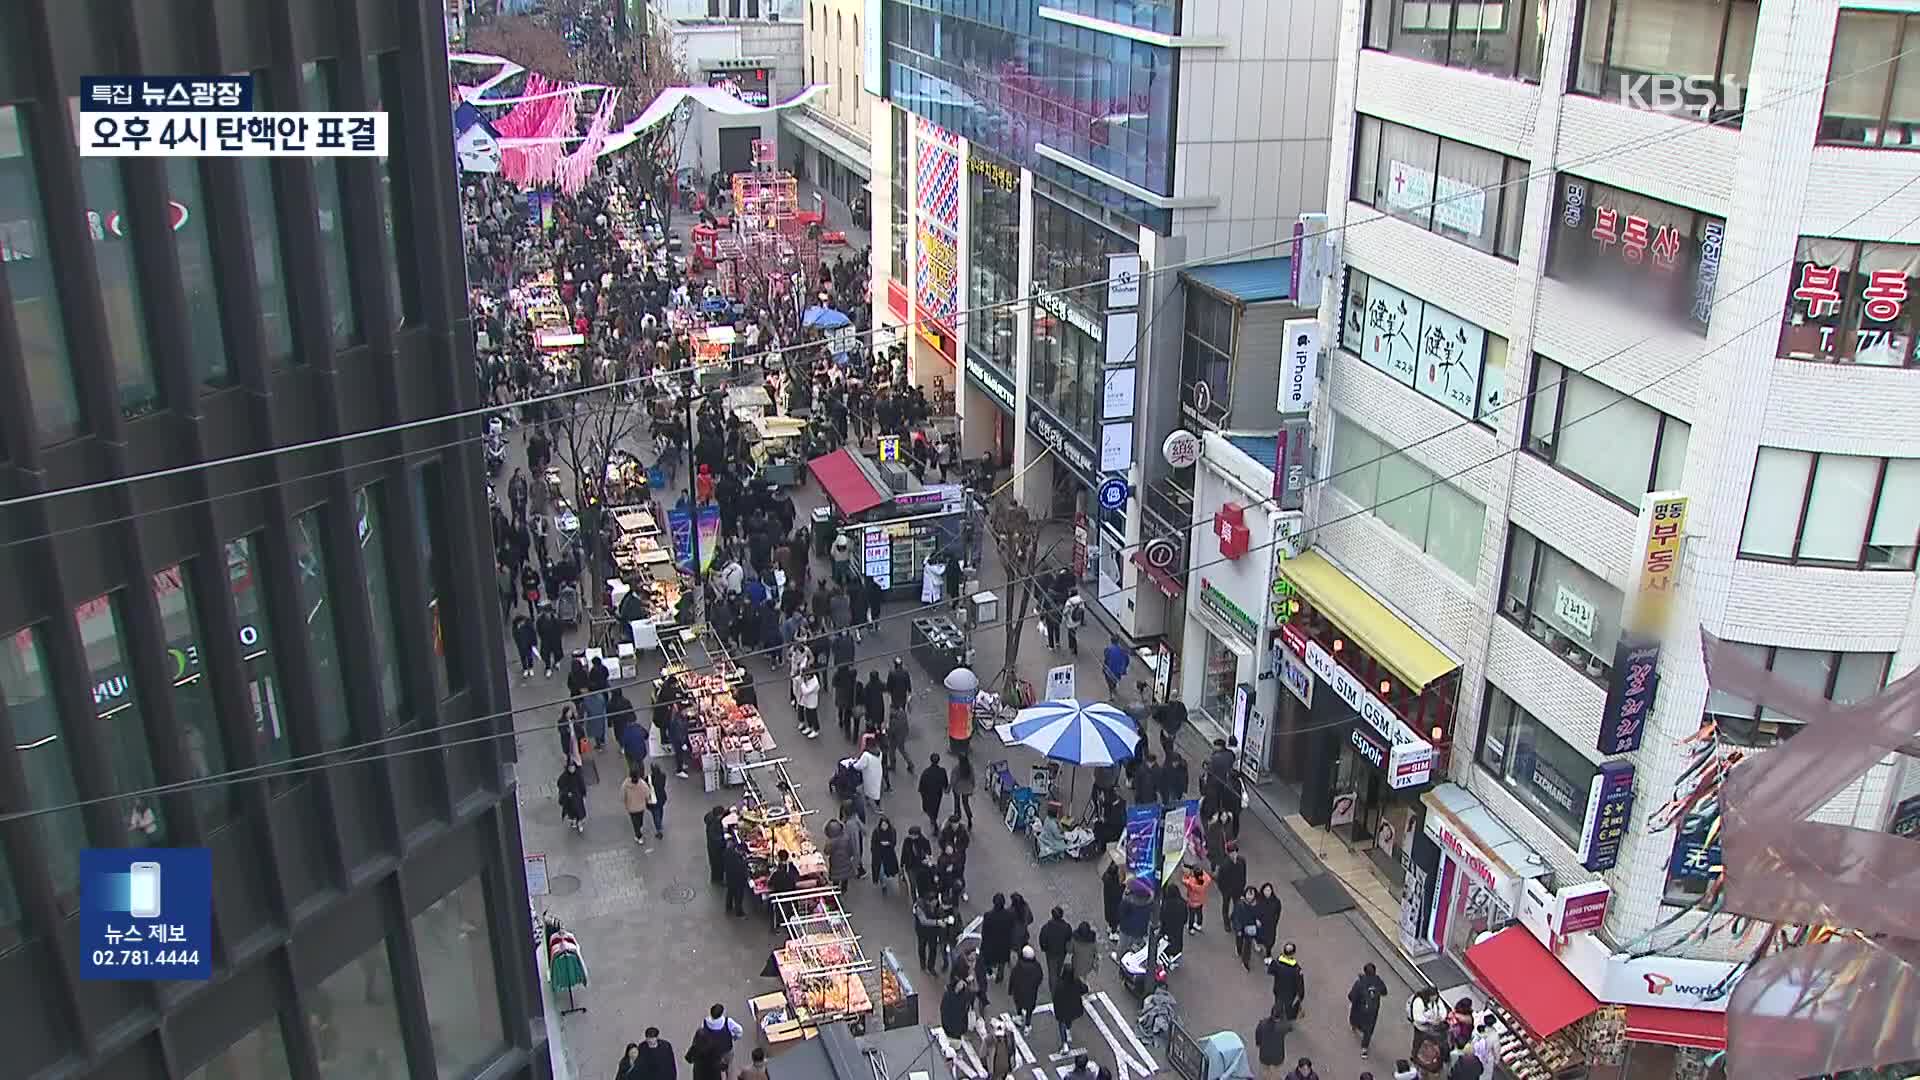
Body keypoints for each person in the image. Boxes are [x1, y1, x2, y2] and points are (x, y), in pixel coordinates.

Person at [685, 1006, 743, 1080]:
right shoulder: (727, 1022)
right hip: (727, 1049)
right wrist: (735, 1037)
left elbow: (688, 1058)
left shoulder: (705, 1022)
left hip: (700, 1074)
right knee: (729, 1068)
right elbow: (739, 1030)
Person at [1349, 962, 1389, 1057]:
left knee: (1355, 1019)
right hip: (1372, 1010)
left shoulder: (1360, 982)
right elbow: (1384, 992)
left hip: (1359, 1008)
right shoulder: (1378, 981)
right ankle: (1364, 1048)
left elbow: (1351, 996)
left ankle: (1354, 1025)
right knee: (1369, 1029)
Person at [979, 893, 1016, 984]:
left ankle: (990, 972)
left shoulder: (988, 916)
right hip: (1004, 943)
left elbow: (985, 932)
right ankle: (1000, 975)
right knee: (1002, 961)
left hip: (991, 943)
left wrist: (983, 944)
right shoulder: (1009, 915)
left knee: (988, 959)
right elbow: (1011, 929)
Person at [1052, 960, 1088, 1052]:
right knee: (1069, 1019)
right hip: (1073, 1007)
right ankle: (1068, 1030)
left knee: (1061, 1024)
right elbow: (1085, 989)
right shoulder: (1076, 982)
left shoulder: (1059, 984)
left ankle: (1064, 1044)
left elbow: (1055, 998)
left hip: (1062, 1009)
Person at [1008, 945, 1044, 1034]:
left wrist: (1010, 989)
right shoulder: (1036, 966)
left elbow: (1013, 977)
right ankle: (1027, 1025)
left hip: (1019, 991)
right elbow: (1040, 977)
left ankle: (1019, 1017)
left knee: (1019, 1004)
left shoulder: (1019, 966)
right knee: (1029, 1009)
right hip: (1031, 992)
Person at [1116, 878, 1154, 960]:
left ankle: (1119, 959)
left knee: (1123, 945)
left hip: (1126, 928)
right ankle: (1133, 960)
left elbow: (1121, 912)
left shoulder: (1128, 900)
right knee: (1136, 947)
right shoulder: (1149, 901)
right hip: (1140, 929)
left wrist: (1124, 895)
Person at [1266, 942, 1305, 1020]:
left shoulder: (1277, 962)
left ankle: (1275, 1016)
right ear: (1293, 954)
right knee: (1288, 1007)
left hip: (1278, 989)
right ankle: (1287, 1018)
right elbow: (1300, 985)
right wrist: (1301, 996)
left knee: (1278, 1002)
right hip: (1290, 993)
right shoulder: (1296, 969)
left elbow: (1270, 971)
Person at [1038, 905, 1073, 986]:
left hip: (1050, 953)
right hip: (1061, 952)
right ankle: (1057, 978)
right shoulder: (1066, 927)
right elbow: (1069, 938)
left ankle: (1054, 989)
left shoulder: (1046, 927)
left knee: (1052, 971)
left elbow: (1042, 939)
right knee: (1059, 967)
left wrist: (1044, 948)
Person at [1254, 1007, 1293, 1080]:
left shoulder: (1262, 1023)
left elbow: (1258, 1035)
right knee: (1276, 1074)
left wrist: (1258, 1043)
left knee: (1265, 1072)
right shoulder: (1283, 1026)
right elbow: (1290, 1027)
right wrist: (1284, 1018)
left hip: (1264, 1055)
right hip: (1277, 1057)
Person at [1230, 887, 1263, 969]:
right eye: (1248, 894)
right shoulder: (1240, 904)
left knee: (1248, 945)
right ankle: (1239, 949)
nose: (1250, 897)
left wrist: (1257, 920)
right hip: (1241, 927)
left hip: (1250, 927)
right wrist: (1238, 929)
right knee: (1239, 940)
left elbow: (1258, 914)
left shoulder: (1256, 905)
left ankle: (1245, 962)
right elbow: (1236, 917)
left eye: (1252, 895)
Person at [767, 849, 800, 927]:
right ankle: (792, 920)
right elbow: (797, 877)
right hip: (792, 894)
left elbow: (770, 883)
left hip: (779, 895)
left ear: (778, 858)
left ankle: (775, 926)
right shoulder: (792, 868)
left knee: (773, 905)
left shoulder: (776, 872)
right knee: (791, 906)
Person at [1217, 843, 1248, 925]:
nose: (1233, 855)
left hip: (1238, 889)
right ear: (1228, 853)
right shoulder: (1224, 865)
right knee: (1226, 906)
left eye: (1235, 852)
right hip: (1227, 890)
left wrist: (1242, 887)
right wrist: (1223, 891)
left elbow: (1243, 875)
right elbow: (1220, 880)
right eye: (1231, 853)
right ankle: (1226, 922)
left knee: (1237, 906)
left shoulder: (1242, 861)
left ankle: (1234, 917)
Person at [914, 891, 946, 972]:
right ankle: (923, 964)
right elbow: (923, 921)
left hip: (933, 932)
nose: (935, 903)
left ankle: (931, 967)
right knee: (922, 947)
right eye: (934, 902)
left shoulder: (937, 905)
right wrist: (937, 922)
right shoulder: (920, 907)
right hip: (922, 931)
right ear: (928, 901)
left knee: (933, 949)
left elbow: (941, 913)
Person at [622, 768, 655, 847]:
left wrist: (625, 802)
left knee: (634, 822)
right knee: (640, 819)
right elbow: (647, 795)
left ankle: (639, 836)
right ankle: (640, 827)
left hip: (631, 807)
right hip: (641, 807)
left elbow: (622, 796)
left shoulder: (625, 785)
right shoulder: (642, 784)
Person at [872, 814, 900, 895]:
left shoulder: (892, 831)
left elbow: (894, 842)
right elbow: (873, 844)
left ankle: (886, 878)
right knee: (880, 871)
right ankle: (883, 884)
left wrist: (888, 843)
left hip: (888, 854)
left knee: (887, 870)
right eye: (882, 825)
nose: (884, 827)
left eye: (885, 825)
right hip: (879, 855)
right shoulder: (876, 832)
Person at [557, 760, 587, 835]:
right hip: (569, 799)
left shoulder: (578, 775)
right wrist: (566, 792)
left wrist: (583, 794)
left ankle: (579, 823)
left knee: (579, 812)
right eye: (570, 768)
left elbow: (582, 785)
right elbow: (560, 784)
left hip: (577, 798)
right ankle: (573, 820)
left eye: (573, 767)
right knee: (571, 811)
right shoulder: (565, 776)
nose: (572, 769)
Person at [722, 838, 751, 917]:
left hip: (729, 877)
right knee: (738, 897)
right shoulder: (738, 860)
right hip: (738, 881)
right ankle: (739, 912)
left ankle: (729, 906)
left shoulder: (728, 851)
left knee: (730, 892)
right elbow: (742, 870)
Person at [919, 753, 949, 827]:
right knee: (936, 808)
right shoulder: (942, 771)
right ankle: (934, 819)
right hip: (937, 793)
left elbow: (921, 786)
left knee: (929, 808)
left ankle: (933, 819)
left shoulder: (926, 772)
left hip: (928, 794)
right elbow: (945, 783)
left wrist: (923, 797)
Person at [1181, 863, 1213, 932]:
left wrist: (1186, 874)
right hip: (1201, 901)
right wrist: (1201, 871)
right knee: (1199, 913)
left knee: (1191, 915)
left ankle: (1191, 928)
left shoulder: (1191, 883)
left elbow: (1183, 880)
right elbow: (1207, 876)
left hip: (1192, 902)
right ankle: (1199, 924)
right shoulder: (1205, 880)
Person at [704, 806, 730, 885]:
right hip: (715, 850)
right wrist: (724, 837)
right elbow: (716, 839)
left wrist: (729, 810)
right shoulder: (713, 826)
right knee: (718, 866)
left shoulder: (711, 817)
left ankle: (717, 878)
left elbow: (723, 813)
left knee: (717, 865)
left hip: (713, 848)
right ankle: (718, 880)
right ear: (718, 815)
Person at [1101, 860, 1125, 943]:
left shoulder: (1106, 878)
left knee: (1110, 917)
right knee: (1115, 918)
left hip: (1108, 903)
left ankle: (1110, 928)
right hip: (1115, 905)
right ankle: (1113, 933)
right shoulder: (1116, 884)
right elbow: (1121, 890)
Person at [648, 760, 669, 838]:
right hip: (662, 797)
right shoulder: (663, 776)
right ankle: (660, 821)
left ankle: (658, 829)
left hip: (653, 799)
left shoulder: (649, 778)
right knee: (660, 810)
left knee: (655, 814)